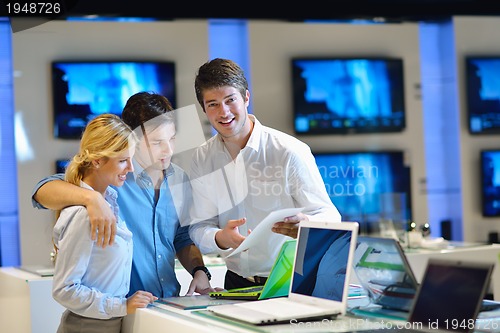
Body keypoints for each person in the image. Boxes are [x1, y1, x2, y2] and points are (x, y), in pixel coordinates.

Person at [32, 92, 216, 298]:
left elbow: (182, 238)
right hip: (120, 309)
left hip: (169, 303)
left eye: (172, 139)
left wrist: (199, 270)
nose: (169, 150)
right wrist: (91, 198)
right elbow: (41, 191)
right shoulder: (113, 176)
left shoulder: (179, 179)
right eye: (156, 143)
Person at [188, 58, 342, 290]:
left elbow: (330, 215)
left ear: (246, 98)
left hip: (290, 281)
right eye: (213, 104)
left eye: (231, 100)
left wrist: (308, 223)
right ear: (204, 109)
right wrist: (220, 237)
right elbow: (199, 227)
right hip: (235, 283)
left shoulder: (289, 151)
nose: (224, 112)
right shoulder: (202, 158)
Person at [52, 114, 156, 333]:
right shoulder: (83, 215)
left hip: (109, 324)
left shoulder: (110, 202)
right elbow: (64, 289)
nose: (131, 168)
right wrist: (121, 306)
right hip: (86, 327)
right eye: (122, 161)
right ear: (97, 160)